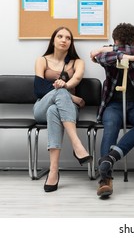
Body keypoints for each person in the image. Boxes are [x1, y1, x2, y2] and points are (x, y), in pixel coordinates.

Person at [90, 22, 134, 198]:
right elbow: (101, 58)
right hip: (114, 105)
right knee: (110, 125)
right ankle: (105, 178)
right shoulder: (110, 56)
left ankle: (110, 158)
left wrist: (110, 49)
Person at [33, 26, 92, 192]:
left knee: (54, 110)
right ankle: (77, 145)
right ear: (53, 40)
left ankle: (53, 171)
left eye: (68, 38)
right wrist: (71, 96)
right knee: (58, 96)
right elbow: (38, 89)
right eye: (60, 36)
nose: (64, 40)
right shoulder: (42, 60)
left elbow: (77, 78)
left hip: (66, 111)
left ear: (71, 42)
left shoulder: (77, 62)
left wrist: (66, 85)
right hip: (41, 108)